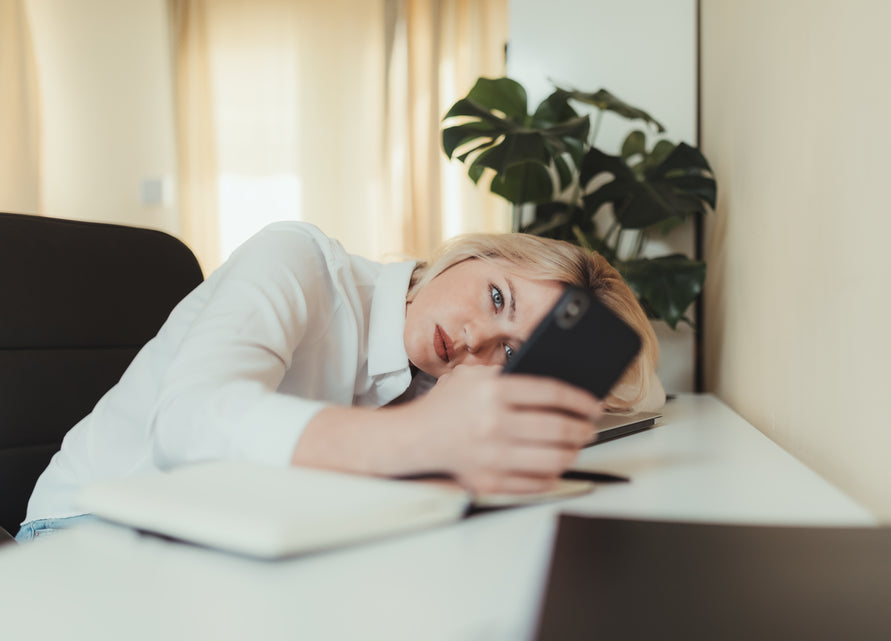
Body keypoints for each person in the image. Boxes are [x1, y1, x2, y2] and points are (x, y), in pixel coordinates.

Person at [16, 221, 664, 541]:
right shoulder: (300, 260)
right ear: (473, 253)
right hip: (85, 530)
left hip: (233, 535)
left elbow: (650, 392)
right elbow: (188, 427)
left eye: (509, 351)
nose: (474, 342)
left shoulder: (442, 382)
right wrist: (423, 435)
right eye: (496, 297)